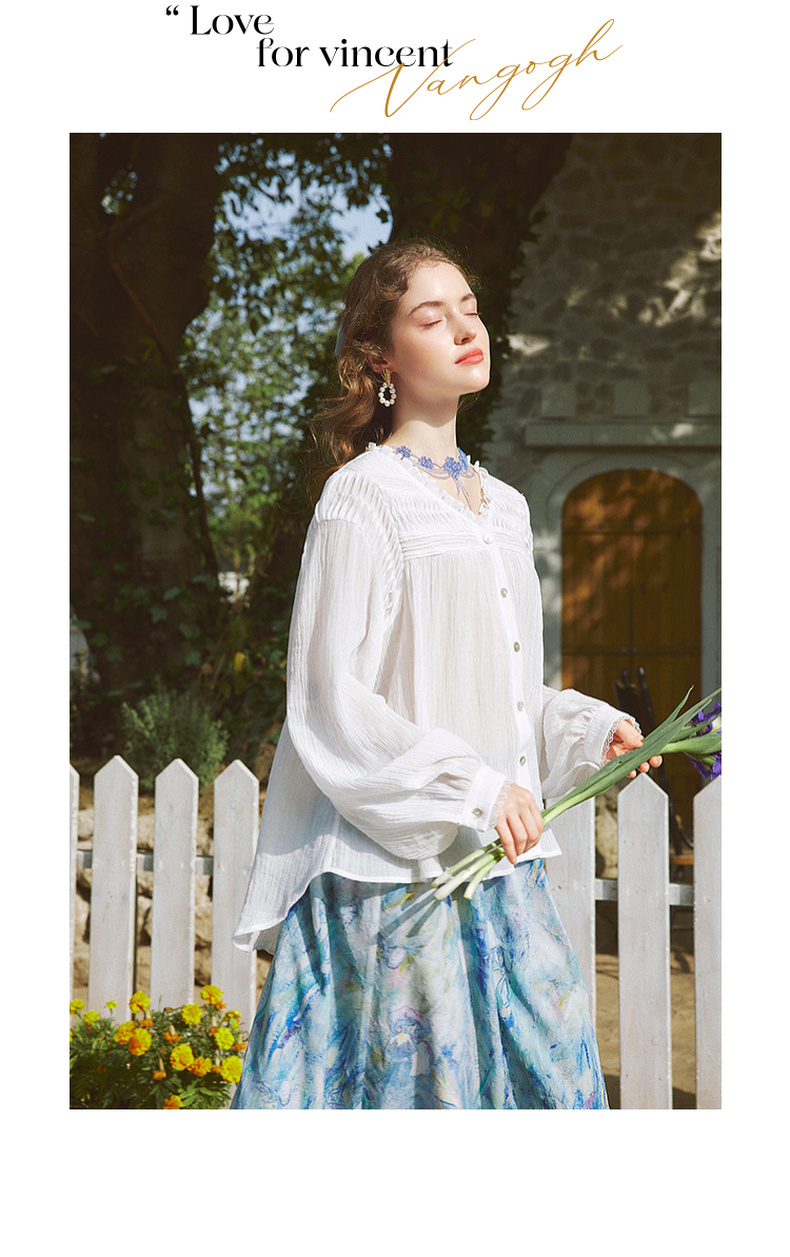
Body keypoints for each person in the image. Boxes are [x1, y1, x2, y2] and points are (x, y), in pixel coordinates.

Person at [230, 238, 659, 1110]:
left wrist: (589, 727)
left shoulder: (507, 509)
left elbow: (500, 691)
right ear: (380, 358)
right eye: (432, 317)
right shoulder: (362, 495)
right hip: (399, 883)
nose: (466, 328)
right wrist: (473, 785)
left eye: (470, 308)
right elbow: (330, 696)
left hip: (501, 872)